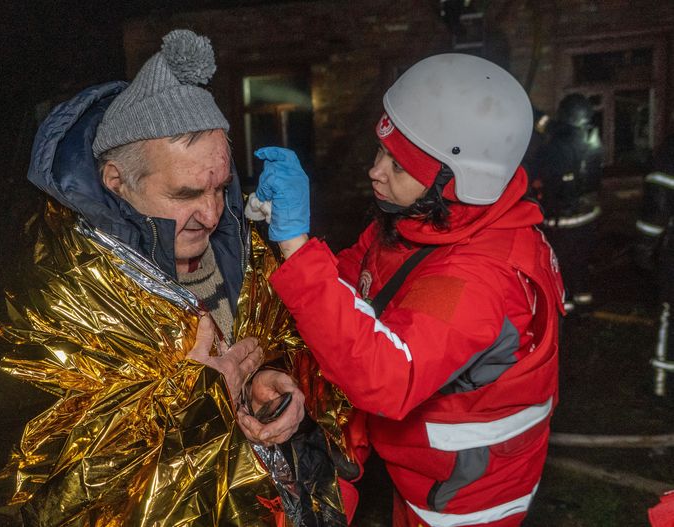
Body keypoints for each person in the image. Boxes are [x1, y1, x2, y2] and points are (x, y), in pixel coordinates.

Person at [0, 29, 346, 526]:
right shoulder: (50, 288)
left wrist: (278, 389)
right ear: (117, 183)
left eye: (221, 188)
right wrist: (196, 392)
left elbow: (297, 351)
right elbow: (24, 486)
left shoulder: (239, 248)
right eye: (185, 195)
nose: (211, 214)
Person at [252, 53, 565, 526]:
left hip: (464, 498)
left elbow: (385, 376)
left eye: (398, 165)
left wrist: (297, 246)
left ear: (456, 180)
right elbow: (352, 286)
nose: (376, 171)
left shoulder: (481, 277)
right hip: (420, 463)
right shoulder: (427, 223)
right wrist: (294, 254)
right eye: (380, 152)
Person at [528, 92, 604, 312]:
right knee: (581, 263)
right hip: (589, 217)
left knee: (561, 265)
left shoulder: (554, 147)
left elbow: (539, 175)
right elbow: (551, 126)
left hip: (563, 220)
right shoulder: (592, 139)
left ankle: (566, 306)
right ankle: (583, 302)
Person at [635, 133, 674, 396]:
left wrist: (645, 248)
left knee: (669, 313)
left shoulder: (669, 155)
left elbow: (657, 208)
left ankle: (662, 384)